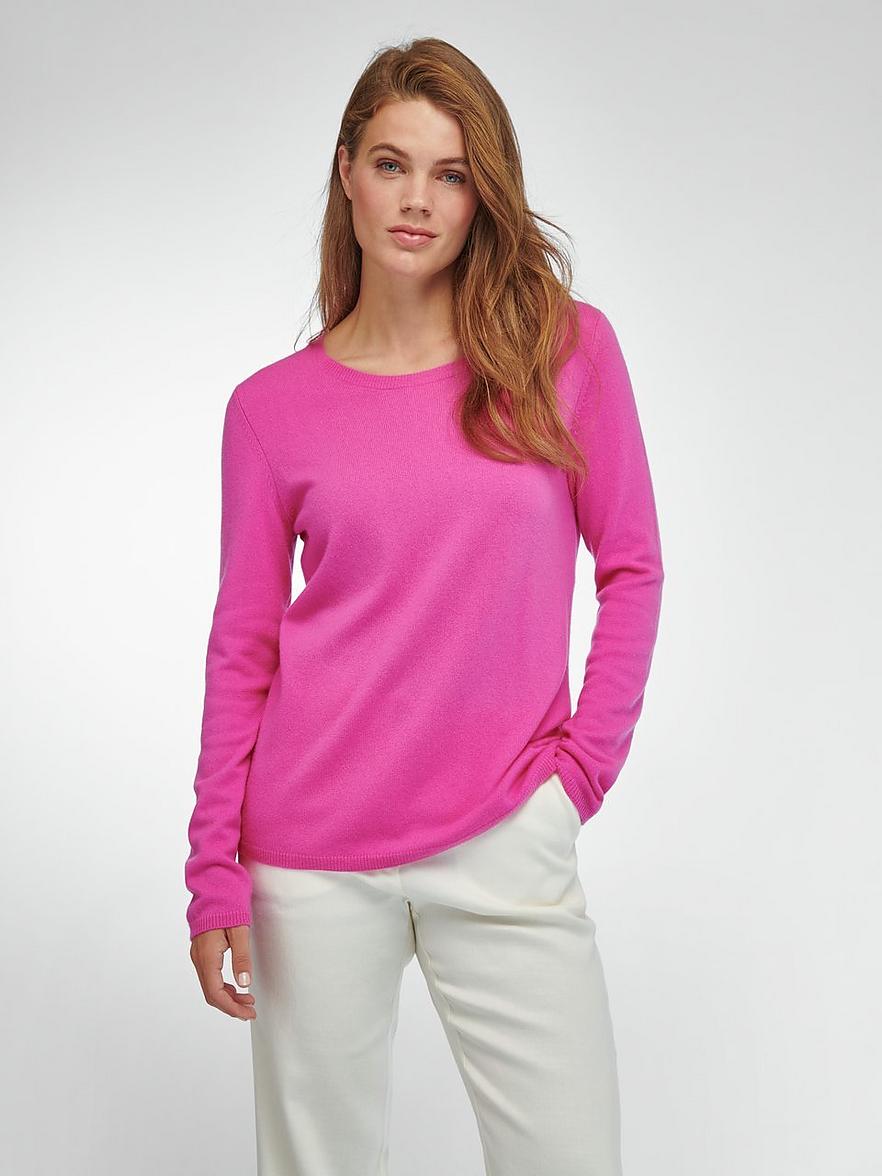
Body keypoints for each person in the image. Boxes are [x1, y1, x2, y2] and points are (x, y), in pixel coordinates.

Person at [184, 35, 664, 1176]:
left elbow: (633, 567)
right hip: (310, 854)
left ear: (481, 194)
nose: (418, 200)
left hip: (507, 830)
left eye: (451, 174)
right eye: (393, 164)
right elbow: (243, 647)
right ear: (346, 171)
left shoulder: (563, 353)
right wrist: (213, 872)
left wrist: (578, 775)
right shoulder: (270, 411)